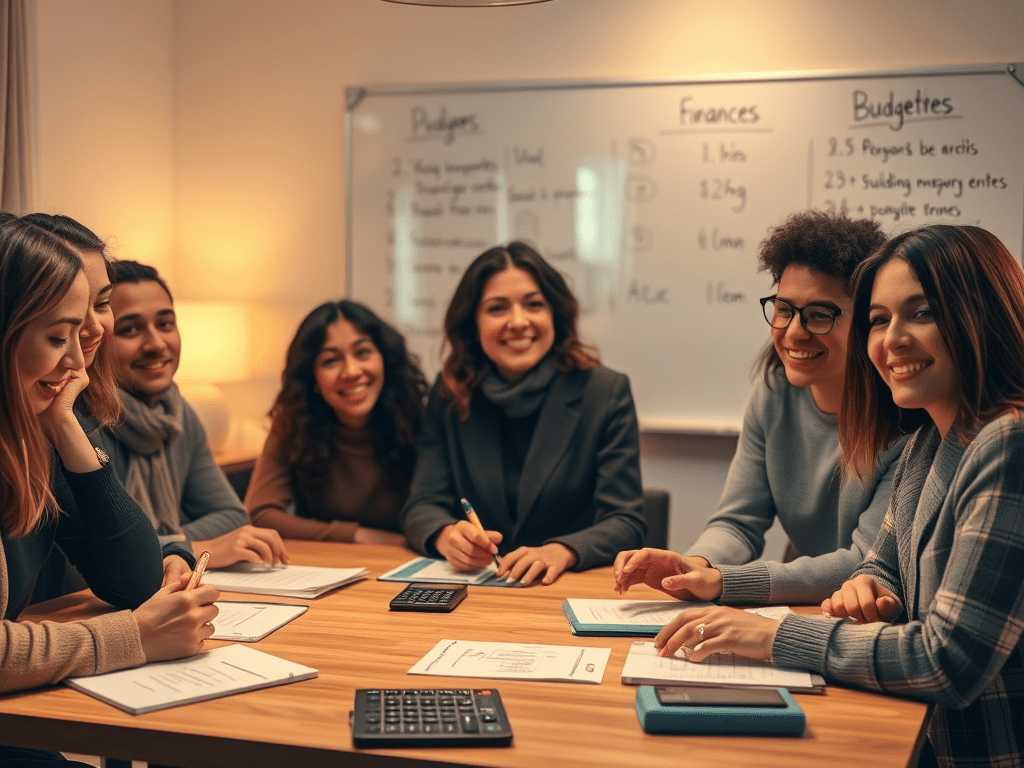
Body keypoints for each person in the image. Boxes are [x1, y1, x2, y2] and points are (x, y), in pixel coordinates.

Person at [654, 224, 1024, 768]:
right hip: (918, 732)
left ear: (981, 316)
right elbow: (882, 564)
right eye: (880, 320)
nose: (892, 338)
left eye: (922, 313)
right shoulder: (931, 438)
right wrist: (872, 585)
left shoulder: (1007, 443)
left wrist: (774, 637)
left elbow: (948, 660)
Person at [0, 217, 218, 764]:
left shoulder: (36, 430)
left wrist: (64, 426)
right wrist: (132, 637)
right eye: (58, 336)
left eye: (99, 308)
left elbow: (134, 581)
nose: (79, 355)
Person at [614, 211, 905, 605]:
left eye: (819, 314)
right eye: (784, 308)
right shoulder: (773, 393)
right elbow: (738, 521)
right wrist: (693, 566)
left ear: (869, 320)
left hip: (869, 610)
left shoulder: (905, 417)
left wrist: (722, 581)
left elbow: (863, 561)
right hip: (807, 602)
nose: (793, 332)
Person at [400, 241, 646, 586]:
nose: (518, 322)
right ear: (472, 324)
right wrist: (446, 536)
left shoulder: (604, 392)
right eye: (497, 309)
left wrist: (562, 551)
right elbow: (421, 504)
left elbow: (626, 521)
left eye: (533, 305)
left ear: (554, 316)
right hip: (479, 590)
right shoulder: (452, 390)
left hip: (564, 589)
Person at [91, 260, 289, 584]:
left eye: (166, 324)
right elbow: (102, 554)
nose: (156, 344)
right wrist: (190, 547)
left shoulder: (176, 413)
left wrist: (169, 548)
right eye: (130, 329)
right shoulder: (76, 423)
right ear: (94, 338)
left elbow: (232, 517)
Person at [245, 300, 427, 545]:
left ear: (385, 358)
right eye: (330, 361)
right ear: (312, 379)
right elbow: (261, 515)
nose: (351, 371)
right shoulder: (293, 421)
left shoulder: (419, 417)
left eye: (363, 352)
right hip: (328, 566)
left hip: (408, 564)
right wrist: (357, 535)